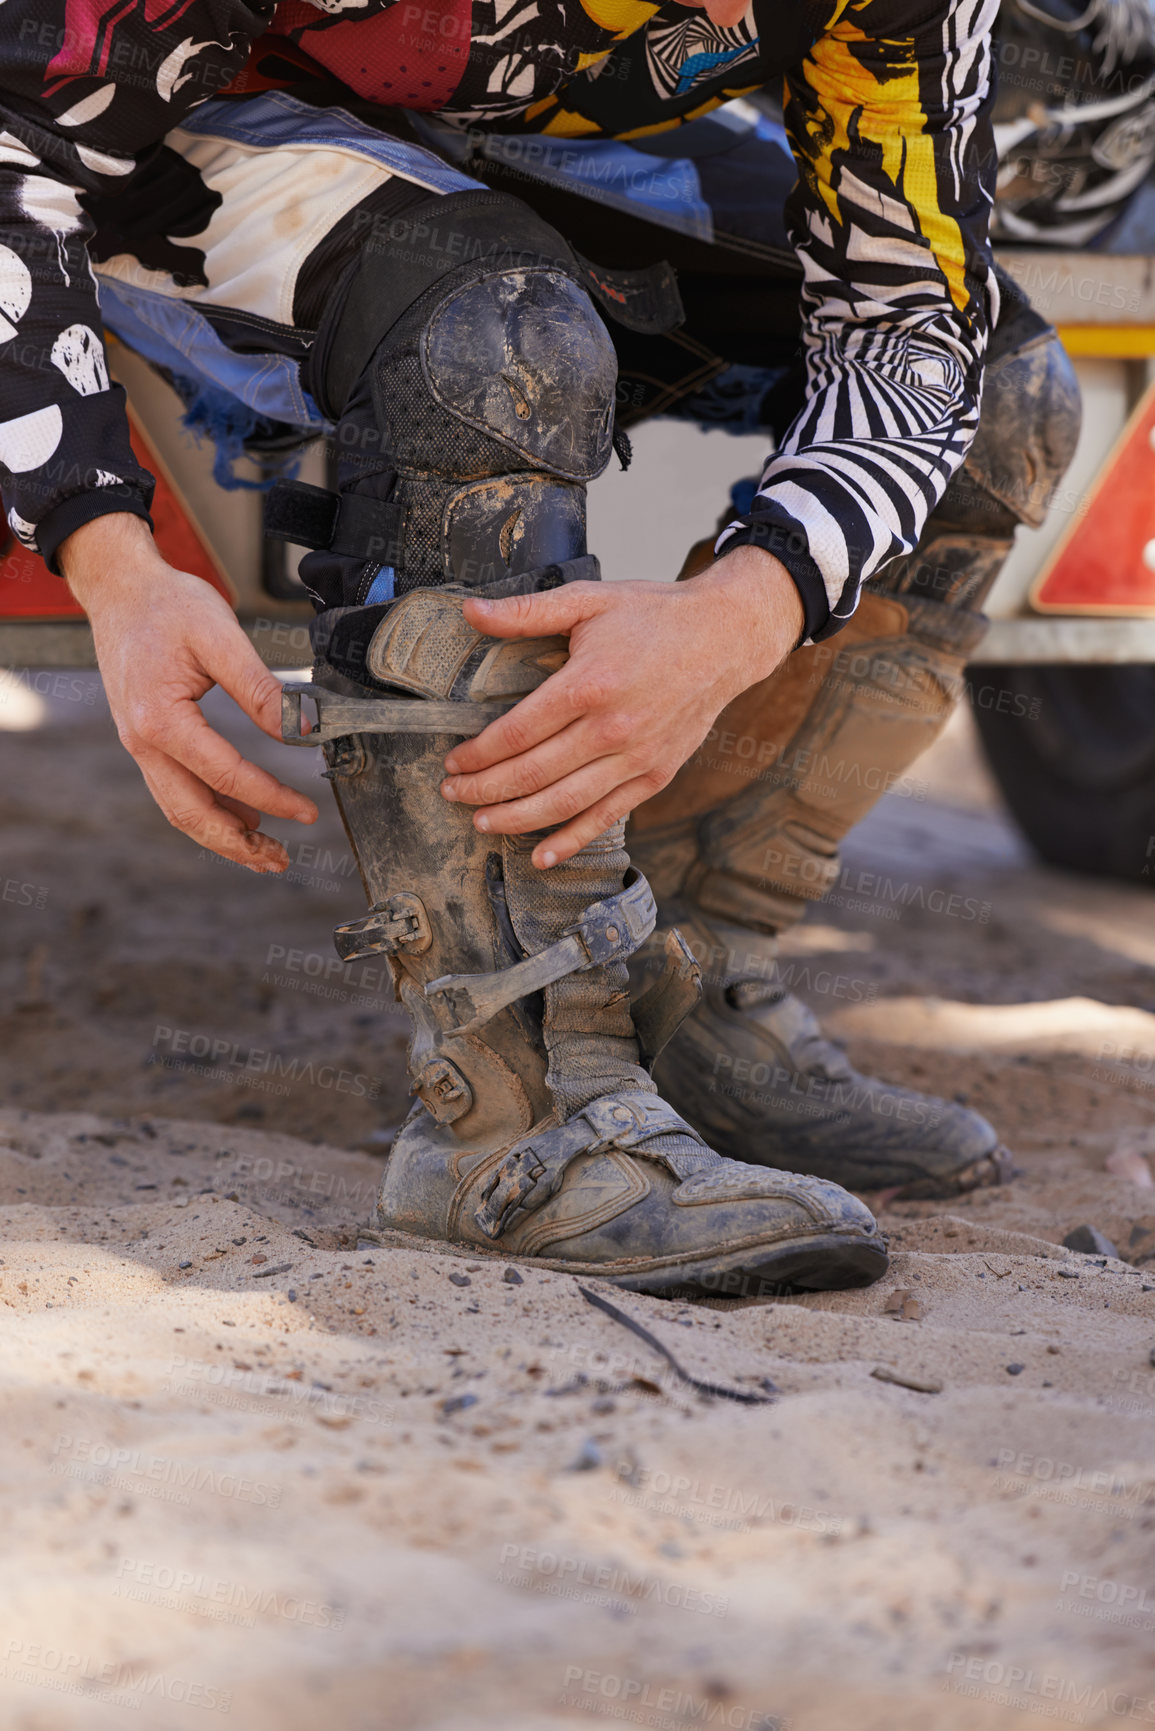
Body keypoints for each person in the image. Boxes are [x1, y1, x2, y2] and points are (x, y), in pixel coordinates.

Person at [0, 0, 1077, 1295]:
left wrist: (752, 605)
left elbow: (910, 334)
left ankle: (686, 991)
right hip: (160, 112)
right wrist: (109, 560)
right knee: (491, 337)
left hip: (491, 115)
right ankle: (503, 1125)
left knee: (1006, 394)